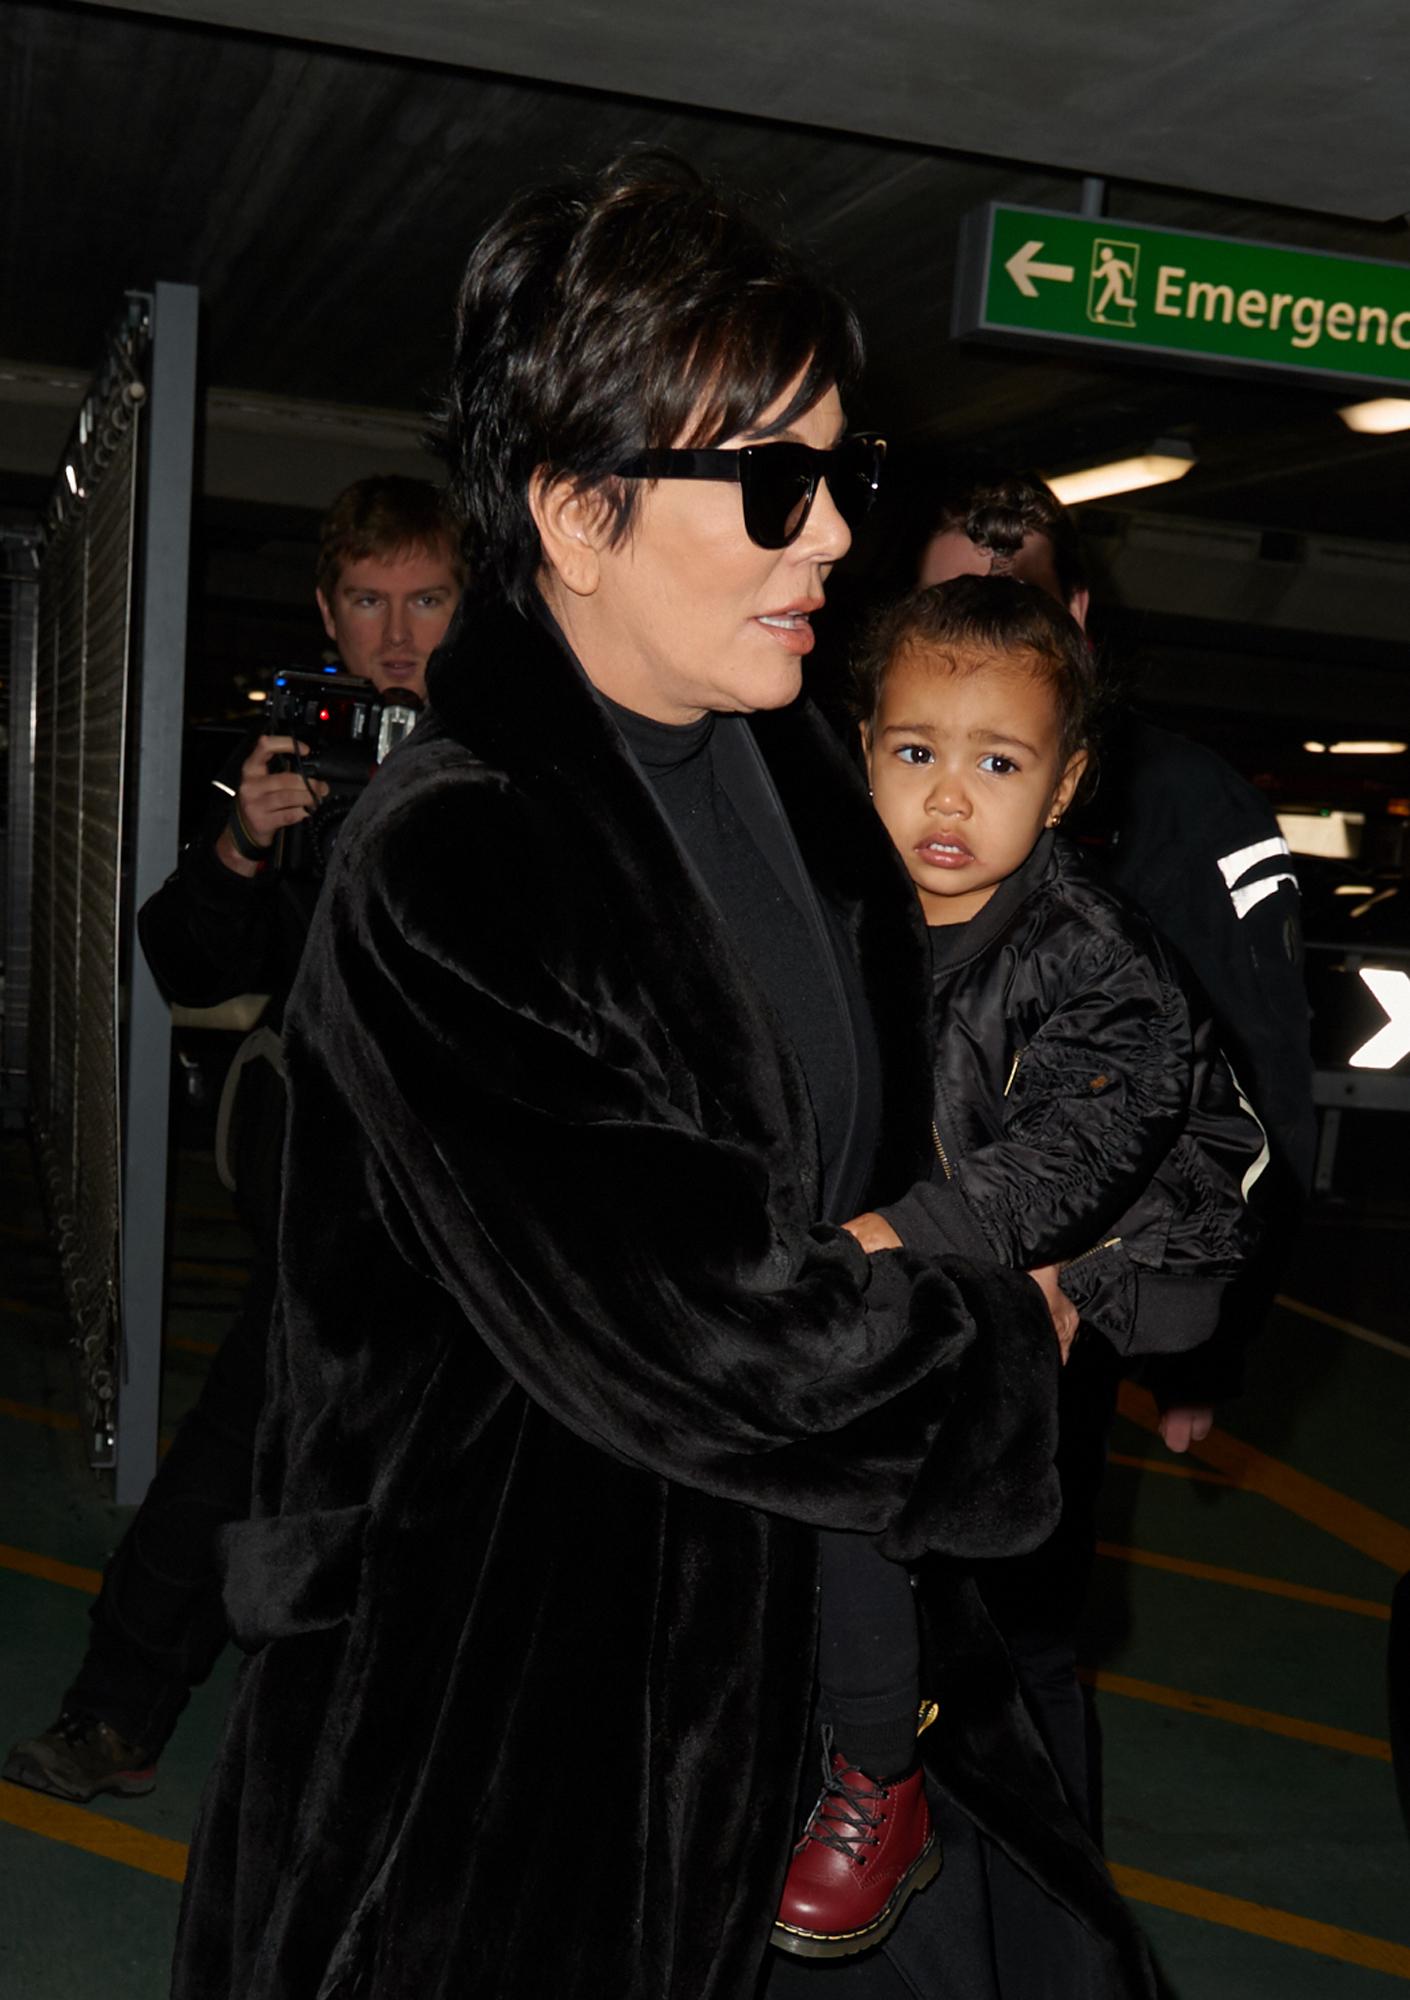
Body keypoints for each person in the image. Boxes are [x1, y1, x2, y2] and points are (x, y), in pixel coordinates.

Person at [171, 156, 1158, 2000]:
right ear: (574, 510)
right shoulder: (458, 857)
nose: (835, 539)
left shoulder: (795, 783)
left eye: (846, 476)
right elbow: (693, 1320)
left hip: (789, 1660)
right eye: (775, 485)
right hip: (517, 1713)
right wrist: (995, 1343)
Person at [771, 575, 1266, 1958]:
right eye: (915, 752)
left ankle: (879, 1769)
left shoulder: (1087, 953)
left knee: (904, 1513)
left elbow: (1072, 1156)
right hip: (951, 1256)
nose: (946, 799)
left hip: (1103, 1261)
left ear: (1061, 793)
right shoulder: (835, 912)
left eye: (997, 764)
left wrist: (886, 1238)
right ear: (859, 745)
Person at [2, 476, 463, 1805]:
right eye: (367, 602)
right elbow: (182, 957)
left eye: (425, 598)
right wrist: (244, 846)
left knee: (459, 1520)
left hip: (487, 1232)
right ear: (327, 610)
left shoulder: (515, 768)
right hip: (337, 1219)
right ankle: (114, 1712)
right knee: (224, 1469)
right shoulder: (305, 775)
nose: (394, 634)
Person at [906, 462, 1313, 1830]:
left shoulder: (1186, 812)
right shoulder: (853, 804)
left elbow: (1252, 1079)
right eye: (942, 603)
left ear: (1073, 614)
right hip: (876, 1335)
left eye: (1007, 605)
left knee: (1013, 1664)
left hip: (1050, 1320)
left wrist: (1198, 1333)